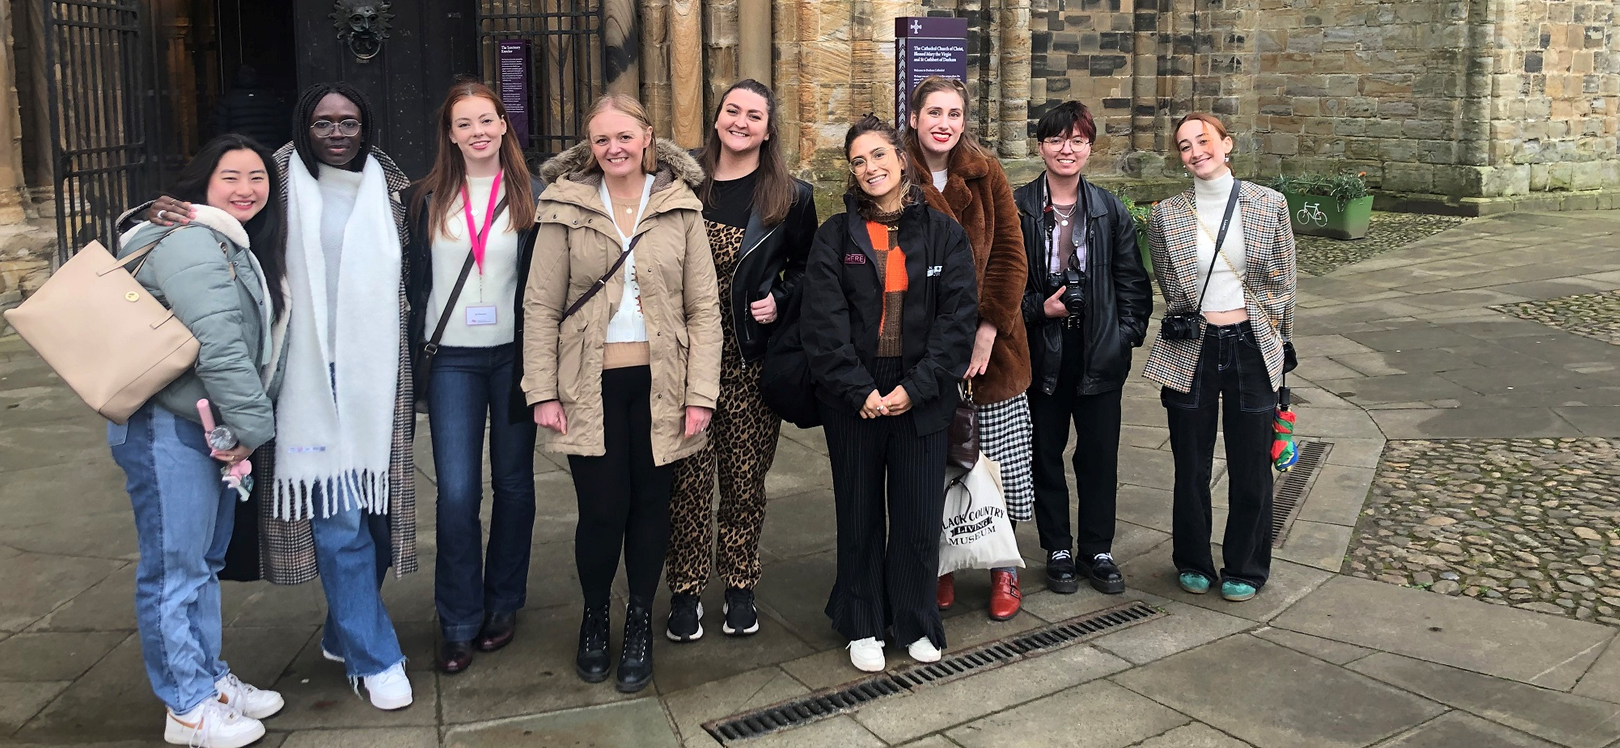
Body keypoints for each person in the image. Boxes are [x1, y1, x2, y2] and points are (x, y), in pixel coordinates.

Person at [145, 82, 421, 710]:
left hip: (378, 376)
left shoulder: (395, 190)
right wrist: (157, 213)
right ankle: (376, 656)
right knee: (340, 512)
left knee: (378, 514)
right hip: (302, 375)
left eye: (349, 121)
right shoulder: (277, 184)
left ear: (366, 125)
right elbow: (211, 216)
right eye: (323, 121)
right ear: (303, 124)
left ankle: (344, 628)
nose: (337, 132)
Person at [522, 93, 722, 693]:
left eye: (625, 137)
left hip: (663, 382)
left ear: (648, 138)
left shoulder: (680, 206)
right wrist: (542, 391)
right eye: (603, 139)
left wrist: (701, 395)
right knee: (602, 510)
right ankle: (593, 616)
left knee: (649, 508)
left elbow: (704, 308)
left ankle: (638, 617)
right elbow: (539, 306)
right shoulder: (563, 204)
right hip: (588, 383)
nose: (615, 149)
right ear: (592, 145)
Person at [111, 134, 288, 748]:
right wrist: (254, 429)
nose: (246, 189)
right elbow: (219, 345)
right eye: (231, 176)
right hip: (166, 425)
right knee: (174, 569)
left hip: (196, 423)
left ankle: (209, 679)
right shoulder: (192, 241)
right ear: (202, 184)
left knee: (203, 564)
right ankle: (185, 707)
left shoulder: (222, 240)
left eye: (258, 177)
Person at [804, 114, 977, 673]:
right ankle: (862, 621)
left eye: (879, 155)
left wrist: (915, 387)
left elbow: (958, 320)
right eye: (858, 161)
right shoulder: (835, 234)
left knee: (917, 513)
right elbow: (822, 324)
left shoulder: (944, 233)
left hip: (920, 391)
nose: (870, 168)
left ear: (902, 158)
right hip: (852, 393)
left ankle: (914, 618)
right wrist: (859, 390)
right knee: (857, 511)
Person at [664, 79, 818, 642]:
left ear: (768, 128)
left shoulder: (791, 196)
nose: (741, 122)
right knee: (686, 481)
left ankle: (739, 586)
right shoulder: (679, 181)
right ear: (717, 117)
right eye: (733, 111)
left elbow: (806, 268)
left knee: (745, 481)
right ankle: (684, 589)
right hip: (682, 358)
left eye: (755, 116)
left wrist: (780, 299)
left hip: (750, 359)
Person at [404, 80, 541, 674]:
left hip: (513, 356)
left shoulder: (532, 195)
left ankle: (503, 602)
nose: (478, 131)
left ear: (504, 124)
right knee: (457, 492)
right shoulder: (424, 197)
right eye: (465, 123)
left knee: (513, 485)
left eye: (487, 120)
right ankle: (456, 618)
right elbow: (411, 278)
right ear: (450, 134)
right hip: (452, 358)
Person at [1144, 112, 1296, 603]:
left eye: (1203, 140)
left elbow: (1284, 281)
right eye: (1185, 146)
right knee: (1190, 462)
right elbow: (1169, 282)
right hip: (1193, 345)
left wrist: (1269, 332)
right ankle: (1192, 559)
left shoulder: (1268, 203)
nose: (1195, 152)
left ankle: (1246, 566)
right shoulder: (1166, 214)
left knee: (1251, 463)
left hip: (1251, 344)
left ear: (1226, 144)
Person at [904, 76, 1032, 621]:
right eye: (934, 112)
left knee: (998, 462)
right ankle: (944, 565)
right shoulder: (894, 171)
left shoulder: (986, 172)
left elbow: (1009, 253)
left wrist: (988, 328)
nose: (944, 123)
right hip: (923, 348)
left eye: (954, 113)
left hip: (992, 354)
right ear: (913, 118)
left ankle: (1003, 566)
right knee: (935, 464)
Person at [1014, 101, 1153, 596]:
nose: (1066, 149)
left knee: (1099, 456)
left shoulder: (1110, 209)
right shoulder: (1020, 206)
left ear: (1090, 146)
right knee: (1044, 454)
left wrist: (1125, 336)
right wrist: (1037, 310)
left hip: (1099, 350)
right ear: (1041, 146)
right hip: (1040, 350)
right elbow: (1002, 286)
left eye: (1076, 139)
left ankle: (1097, 548)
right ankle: (1056, 546)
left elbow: (1133, 282)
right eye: (1055, 139)